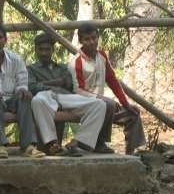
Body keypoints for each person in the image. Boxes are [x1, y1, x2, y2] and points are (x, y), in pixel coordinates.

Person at [28, 33, 113, 156]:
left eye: (47, 49)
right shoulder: (30, 69)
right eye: (41, 49)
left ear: (53, 50)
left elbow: (68, 83)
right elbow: (32, 87)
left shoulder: (62, 67)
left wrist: (43, 83)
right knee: (37, 100)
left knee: (99, 104)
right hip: (45, 97)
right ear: (35, 50)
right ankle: (52, 144)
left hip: (65, 97)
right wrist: (56, 83)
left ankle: (77, 142)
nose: (44, 53)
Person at [68, 23, 146, 155]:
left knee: (133, 113)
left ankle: (131, 152)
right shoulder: (76, 62)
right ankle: (99, 142)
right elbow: (78, 90)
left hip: (102, 105)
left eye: (94, 38)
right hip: (82, 104)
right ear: (81, 41)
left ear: (98, 37)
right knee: (107, 104)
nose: (92, 42)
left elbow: (112, 80)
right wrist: (101, 98)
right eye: (87, 39)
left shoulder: (102, 56)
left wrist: (125, 104)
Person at [0, 23, 46, 159]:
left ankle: (28, 146)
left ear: (5, 39)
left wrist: (22, 90)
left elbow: (22, 81)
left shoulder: (15, 59)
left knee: (25, 98)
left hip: (12, 98)